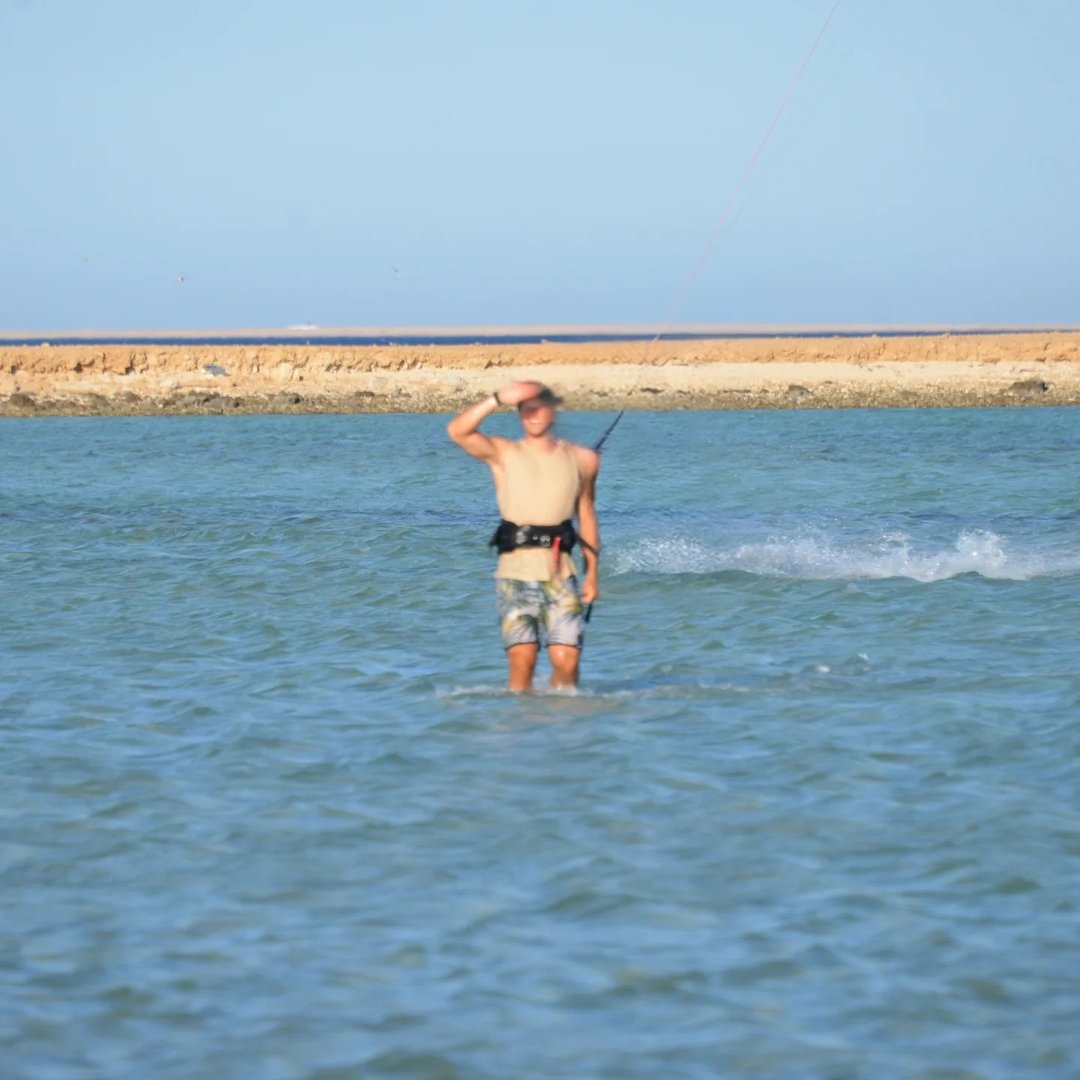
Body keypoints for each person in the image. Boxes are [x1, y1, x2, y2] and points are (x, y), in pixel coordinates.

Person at [447, 381, 600, 692]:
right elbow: (458, 431)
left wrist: (592, 575)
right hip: (514, 576)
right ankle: (523, 718)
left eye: (539, 409)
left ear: (553, 411)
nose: (532, 416)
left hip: (561, 575)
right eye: (525, 410)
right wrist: (496, 398)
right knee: (523, 661)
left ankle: (564, 716)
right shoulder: (503, 452)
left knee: (566, 661)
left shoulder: (584, 458)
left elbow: (586, 516)